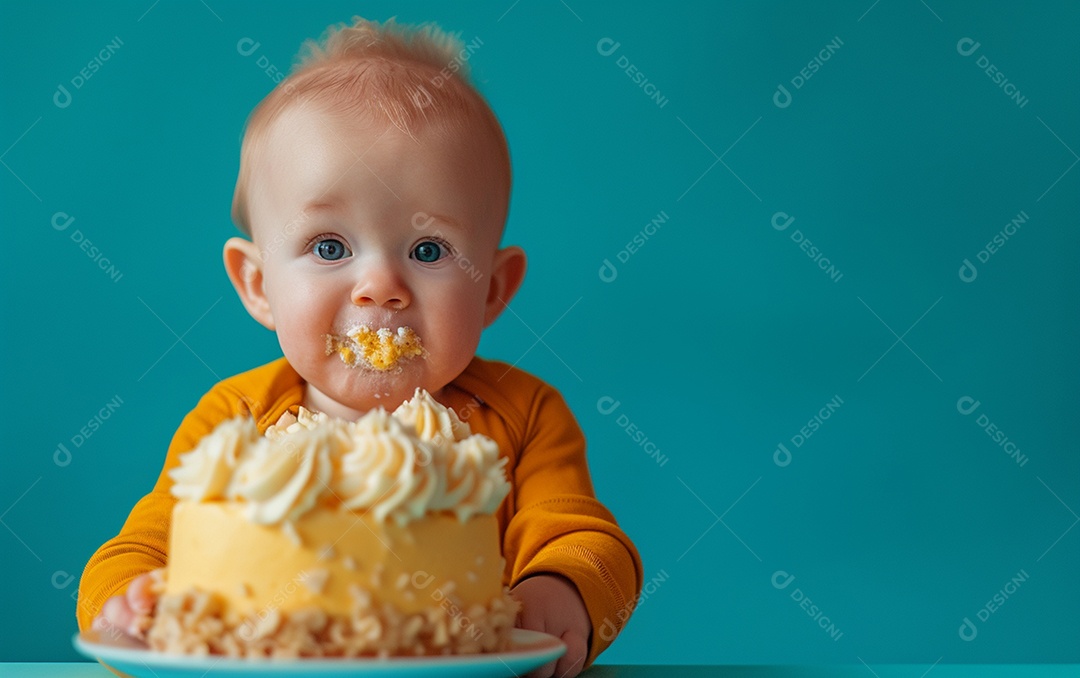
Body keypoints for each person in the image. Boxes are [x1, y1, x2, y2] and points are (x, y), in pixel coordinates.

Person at [77, 15, 642, 678]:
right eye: (329, 247)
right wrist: (124, 603)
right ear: (258, 285)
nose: (379, 286)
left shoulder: (523, 416)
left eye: (428, 250)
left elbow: (583, 537)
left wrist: (561, 589)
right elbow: (145, 543)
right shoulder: (233, 421)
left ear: (492, 290)